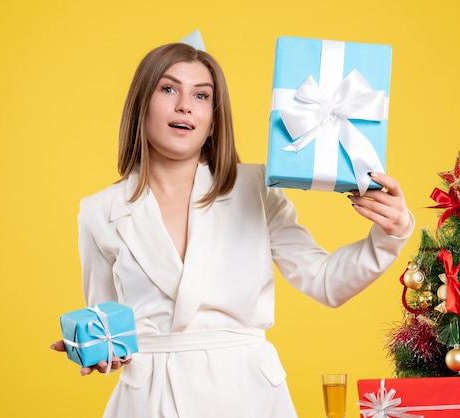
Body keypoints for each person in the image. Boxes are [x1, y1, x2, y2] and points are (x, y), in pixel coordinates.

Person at [52, 41, 414, 418]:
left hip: (248, 395)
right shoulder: (97, 212)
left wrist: (390, 233)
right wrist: (100, 353)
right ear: (141, 105)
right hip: (149, 400)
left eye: (202, 95)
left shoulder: (256, 188)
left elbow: (325, 282)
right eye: (169, 88)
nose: (185, 105)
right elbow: (111, 329)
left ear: (213, 121)